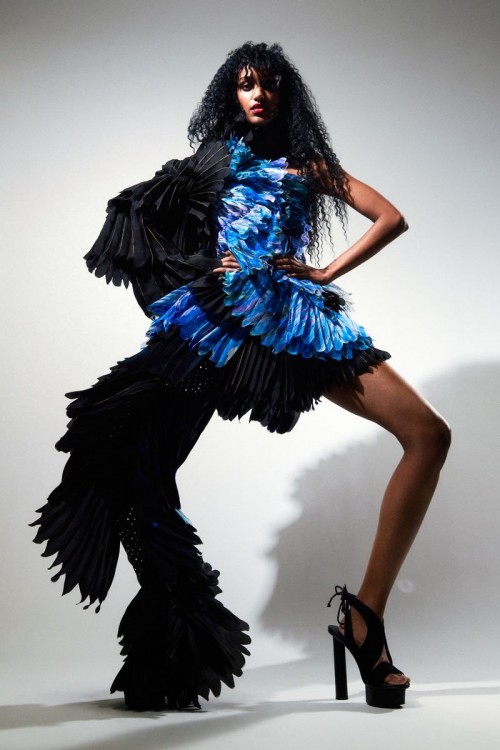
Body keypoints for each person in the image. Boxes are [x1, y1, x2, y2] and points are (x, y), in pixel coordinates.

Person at [31, 42, 450, 711]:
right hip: (219, 323)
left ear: (287, 95)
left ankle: (365, 620)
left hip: (293, 323)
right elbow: (135, 215)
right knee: (125, 455)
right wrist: (202, 269)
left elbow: (390, 217)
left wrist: (324, 272)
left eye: (270, 84)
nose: (259, 94)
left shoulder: (311, 166)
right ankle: (174, 629)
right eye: (246, 84)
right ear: (231, 94)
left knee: (429, 436)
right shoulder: (214, 161)